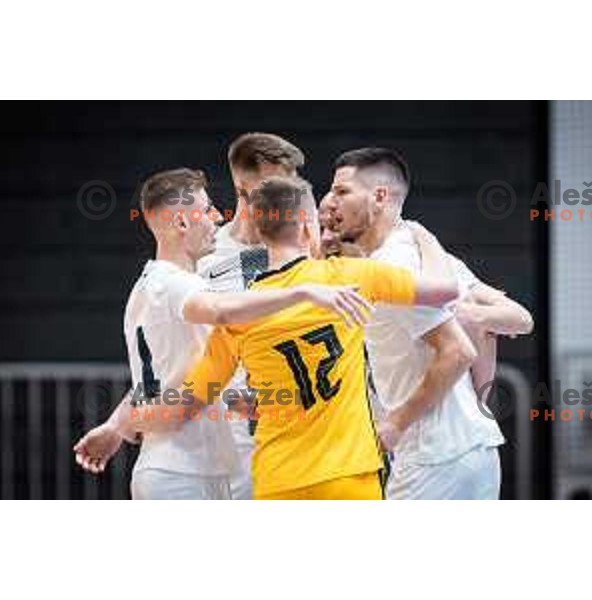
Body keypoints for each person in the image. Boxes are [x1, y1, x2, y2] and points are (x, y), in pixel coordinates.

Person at [73, 167, 371, 499]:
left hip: (188, 463)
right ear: (183, 223)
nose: (217, 217)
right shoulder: (175, 284)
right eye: (208, 208)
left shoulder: (154, 285)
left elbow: (168, 379)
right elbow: (222, 312)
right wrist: (304, 291)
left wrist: (118, 426)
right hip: (181, 468)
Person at [178, 176, 461, 500]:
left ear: (258, 232)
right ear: (306, 228)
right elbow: (445, 290)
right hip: (348, 475)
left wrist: (247, 401)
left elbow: (196, 396)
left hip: (278, 478)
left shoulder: (244, 310)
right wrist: (425, 238)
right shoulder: (350, 275)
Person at [324, 147, 534, 499]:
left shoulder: (394, 266)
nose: (332, 202)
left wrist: (395, 423)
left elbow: (457, 353)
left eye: (342, 191)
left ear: (379, 196)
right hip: (472, 448)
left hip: (436, 455)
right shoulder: (421, 251)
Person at [196, 132, 306, 499]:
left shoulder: (305, 248)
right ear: (243, 188)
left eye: (290, 183)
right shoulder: (206, 258)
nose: (285, 193)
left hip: (301, 426)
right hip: (232, 430)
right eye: (275, 183)